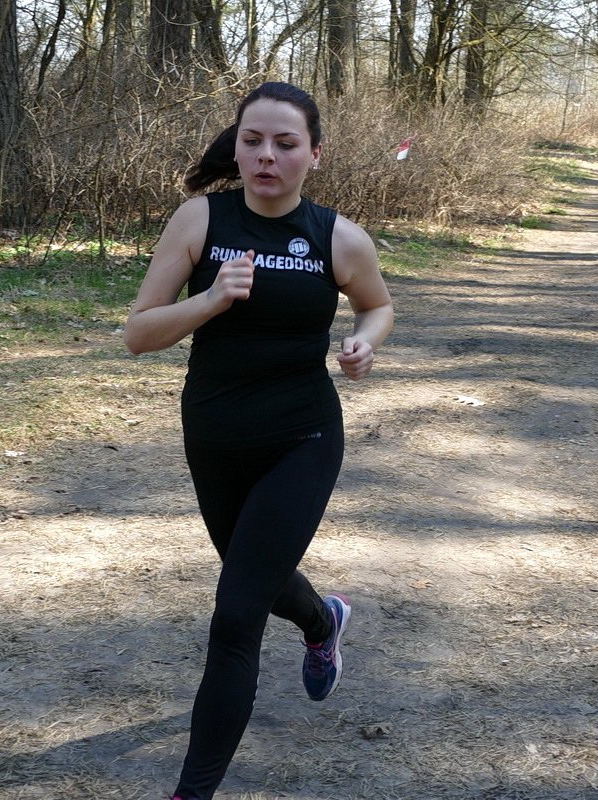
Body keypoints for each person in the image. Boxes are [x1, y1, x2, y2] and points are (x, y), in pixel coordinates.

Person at [123, 81, 394, 800]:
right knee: (259, 579)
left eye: (284, 144)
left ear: (313, 155)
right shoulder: (198, 222)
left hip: (302, 434)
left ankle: (192, 792)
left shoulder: (336, 236)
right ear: (236, 146)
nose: (266, 157)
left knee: (236, 611)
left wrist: (365, 343)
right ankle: (322, 619)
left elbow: (378, 304)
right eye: (252, 142)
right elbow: (137, 334)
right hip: (214, 435)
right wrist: (210, 299)